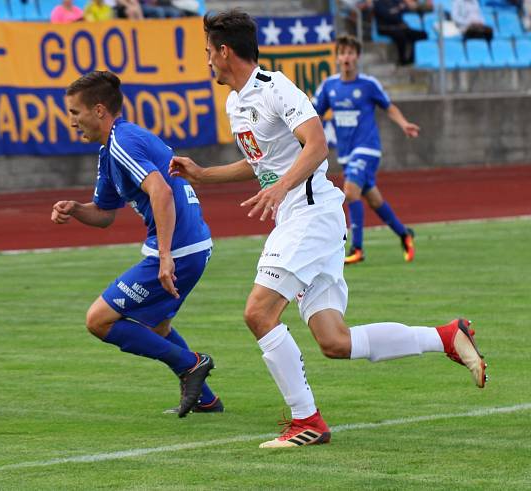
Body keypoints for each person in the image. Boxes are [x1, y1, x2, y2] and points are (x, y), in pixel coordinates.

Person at [170, 10, 486, 448]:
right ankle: (446, 337)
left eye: (208, 51)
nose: (206, 61)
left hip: (310, 215)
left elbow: (317, 146)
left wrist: (281, 186)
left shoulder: (276, 87)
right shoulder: (234, 102)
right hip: (302, 219)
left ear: (225, 51)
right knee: (334, 341)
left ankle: (307, 421)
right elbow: (260, 163)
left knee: (258, 314)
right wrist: (204, 175)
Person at [52, 71, 220, 417]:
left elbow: (160, 190)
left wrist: (164, 257)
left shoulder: (122, 142)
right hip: (190, 243)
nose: (72, 122)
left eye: (74, 112)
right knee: (157, 326)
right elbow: (104, 214)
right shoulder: (110, 150)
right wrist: (76, 210)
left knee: (98, 320)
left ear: (99, 110)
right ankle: (205, 398)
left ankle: (192, 363)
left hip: (179, 247)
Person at [313, 35, 419, 265]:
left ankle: (357, 248)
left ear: (357, 57)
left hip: (368, 148)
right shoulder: (330, 86)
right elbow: (314, 114)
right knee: (373, 199)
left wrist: (404, 124)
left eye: (351, 52)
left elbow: (388, 107)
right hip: (346, 153)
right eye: (342, 52)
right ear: (337, 57)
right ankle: (404, 233)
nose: (346, 57)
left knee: (350, 192)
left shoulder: (368, 84)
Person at [373, 0, 429, 65]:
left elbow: (406, 9)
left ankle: (412, 58)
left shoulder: (396, 1)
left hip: (400, 27)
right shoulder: (378, 3)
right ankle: (402, 59)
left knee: (422, 34)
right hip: (386, 28)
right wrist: (398, 9)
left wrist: (395, 10)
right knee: (401, 36)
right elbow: (387, 15)